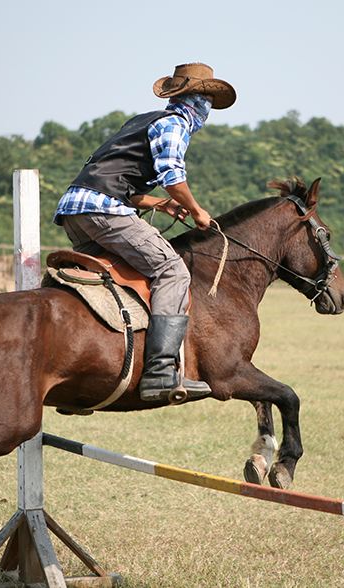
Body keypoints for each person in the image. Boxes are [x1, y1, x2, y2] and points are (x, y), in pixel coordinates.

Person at [53, 63, 236, 402]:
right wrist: (196, 210)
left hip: (75, 210)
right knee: (171, 270)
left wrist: (158, 204)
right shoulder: (174, 124)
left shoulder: (143, 120)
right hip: (104, 210)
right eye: (204, 98)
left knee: (117, 276)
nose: (207, 107)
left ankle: (85, 369)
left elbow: (119, 177)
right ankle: (160, 372)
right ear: (192, 99)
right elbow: (173, 175)